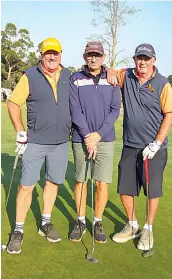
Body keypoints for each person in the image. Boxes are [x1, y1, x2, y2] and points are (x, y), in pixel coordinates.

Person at [7, 37, 71, 254]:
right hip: (35, 141)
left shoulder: (68, 75)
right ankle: (18, 230)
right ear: (41, 55)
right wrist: (21, 131)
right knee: (27, 186)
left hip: (61, 142)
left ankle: (45, 222)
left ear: (61, 54)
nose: (52, 57)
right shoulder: (30, 76)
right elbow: (14, 102)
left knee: (52, 182)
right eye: (47, 53)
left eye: (55, 52)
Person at [110, 44, 172, 250]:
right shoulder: (126, 76)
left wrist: (157, 143)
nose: (142, 62)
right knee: (125, 188)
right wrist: (109, 70)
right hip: (130, 144)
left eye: (146, 58)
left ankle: (148, 229)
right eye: (139, 58)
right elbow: (110, 72)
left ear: (154, 60)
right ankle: (132, 224)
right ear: (135, 59)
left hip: (153, 148)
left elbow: (169, 115)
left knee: (151, 190)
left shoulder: (163, 84)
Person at [69, 42, 121, 243]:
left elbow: (115, 110)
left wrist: (98, 135)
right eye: (90, 55)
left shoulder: (112, 79)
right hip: (81, 138)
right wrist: (87, 136)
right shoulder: (76, 79)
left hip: (105, 139)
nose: (93, 58)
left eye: (97, 55)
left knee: (101, 183)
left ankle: (97, 221)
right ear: (84, 57)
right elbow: (75, 109)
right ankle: (80, 220)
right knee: (81, 181)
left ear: (103, 57)